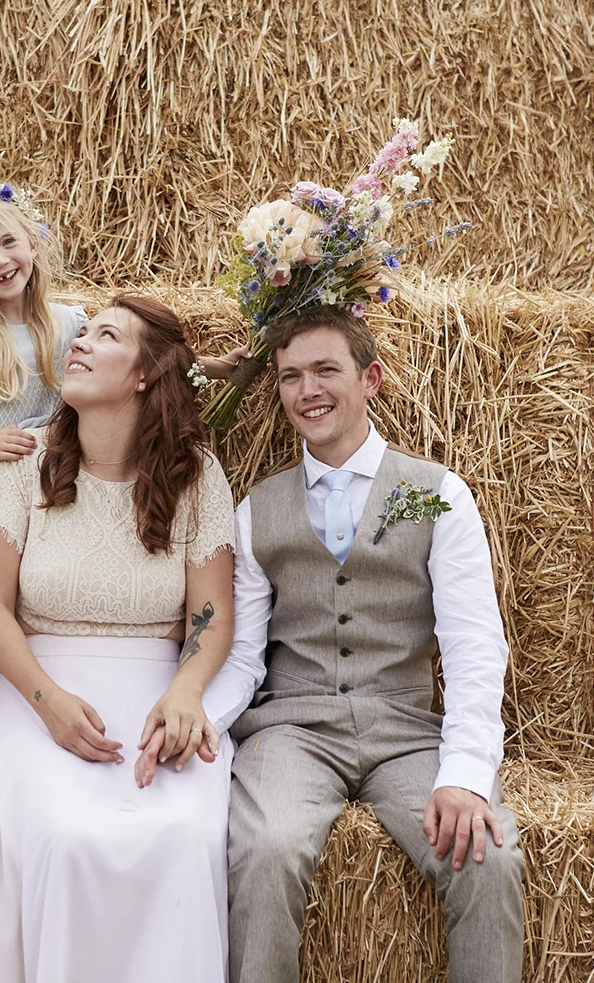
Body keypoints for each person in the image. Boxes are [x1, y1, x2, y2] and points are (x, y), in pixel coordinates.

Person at [0, 295, 249, 983]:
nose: (78, 344)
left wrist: (187, 692)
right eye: (83, 332)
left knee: (186, 836)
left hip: (153, 698)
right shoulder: (27, 459)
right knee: (65, 837)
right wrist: (47, 702)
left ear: (143, 376)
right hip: (34, 691)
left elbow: (212, 615)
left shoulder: (197, 475)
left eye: (105, 336)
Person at [0, 183, 243, 807]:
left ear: (34, 244)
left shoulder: (67, 325)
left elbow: (147, 361)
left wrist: (214, 368)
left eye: (9, 242)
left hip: (25, 476)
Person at [205, 303, 526, 983]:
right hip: (292, 729)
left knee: (488, 857)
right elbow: (241, 655)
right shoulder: (258, 507)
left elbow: (474, 642)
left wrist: (466, 775)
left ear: (370, 378)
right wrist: (201, 723)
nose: (307, 390)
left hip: (406, 731)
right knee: (266, 848)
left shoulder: (426, 494)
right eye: (291, 376)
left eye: (326, 370)